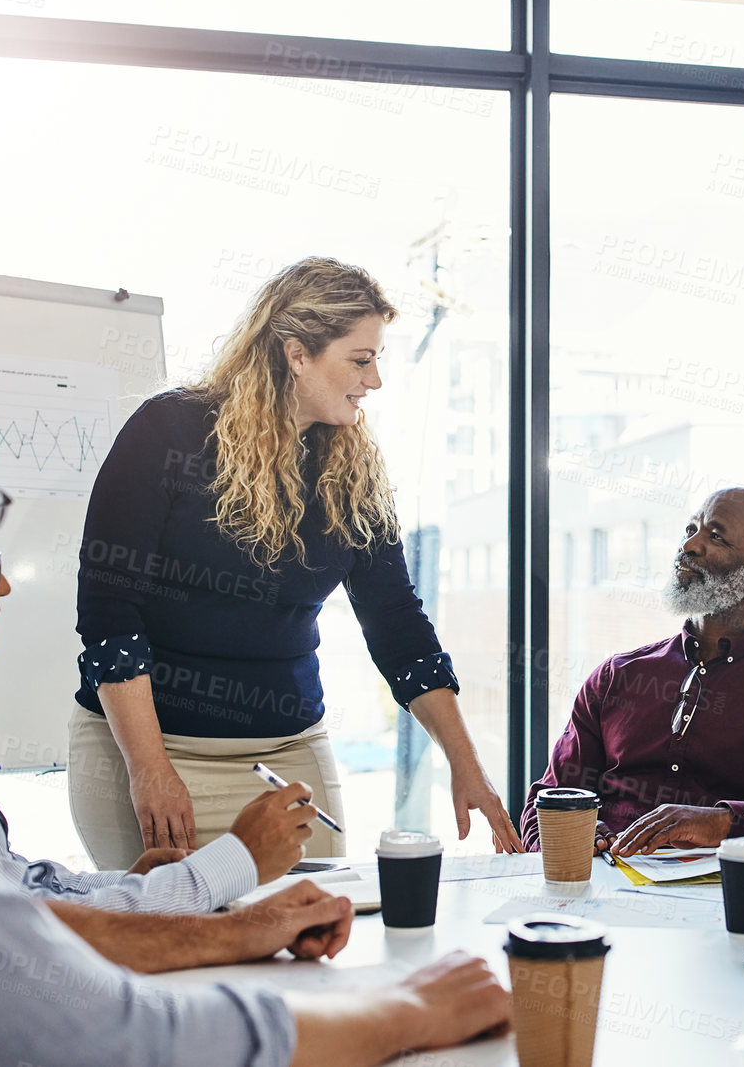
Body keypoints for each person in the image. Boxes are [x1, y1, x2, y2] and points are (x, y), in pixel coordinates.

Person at [0, 347, 509, 1065]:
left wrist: (224, 917)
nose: (0, 580)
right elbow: (103, 1034)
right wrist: (406, 1011)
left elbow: (21, 903)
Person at [71, 256, 520, 867]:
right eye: (360, 360)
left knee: (315, 936)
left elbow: (398, 626)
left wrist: (468, 767)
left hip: (287, 755)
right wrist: (149, 769)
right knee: (171, 942)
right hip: (148, 748)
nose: (375, 381)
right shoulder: (167, 431)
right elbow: (108, 614)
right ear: (297, 353)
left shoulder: (352, 467)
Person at [0, 531, 315, 913]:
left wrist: (130, 883)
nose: (3, 587)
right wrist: (237, 861)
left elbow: (16, 883)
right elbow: (21, 925)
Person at [520, 487, 744, 856]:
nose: (689, 546)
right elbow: (549, 798)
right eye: (691, 529)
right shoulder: (615, 676)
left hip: (733, 898)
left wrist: (725, 822)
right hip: (601, 892)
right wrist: (573, 834)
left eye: (715, 536)